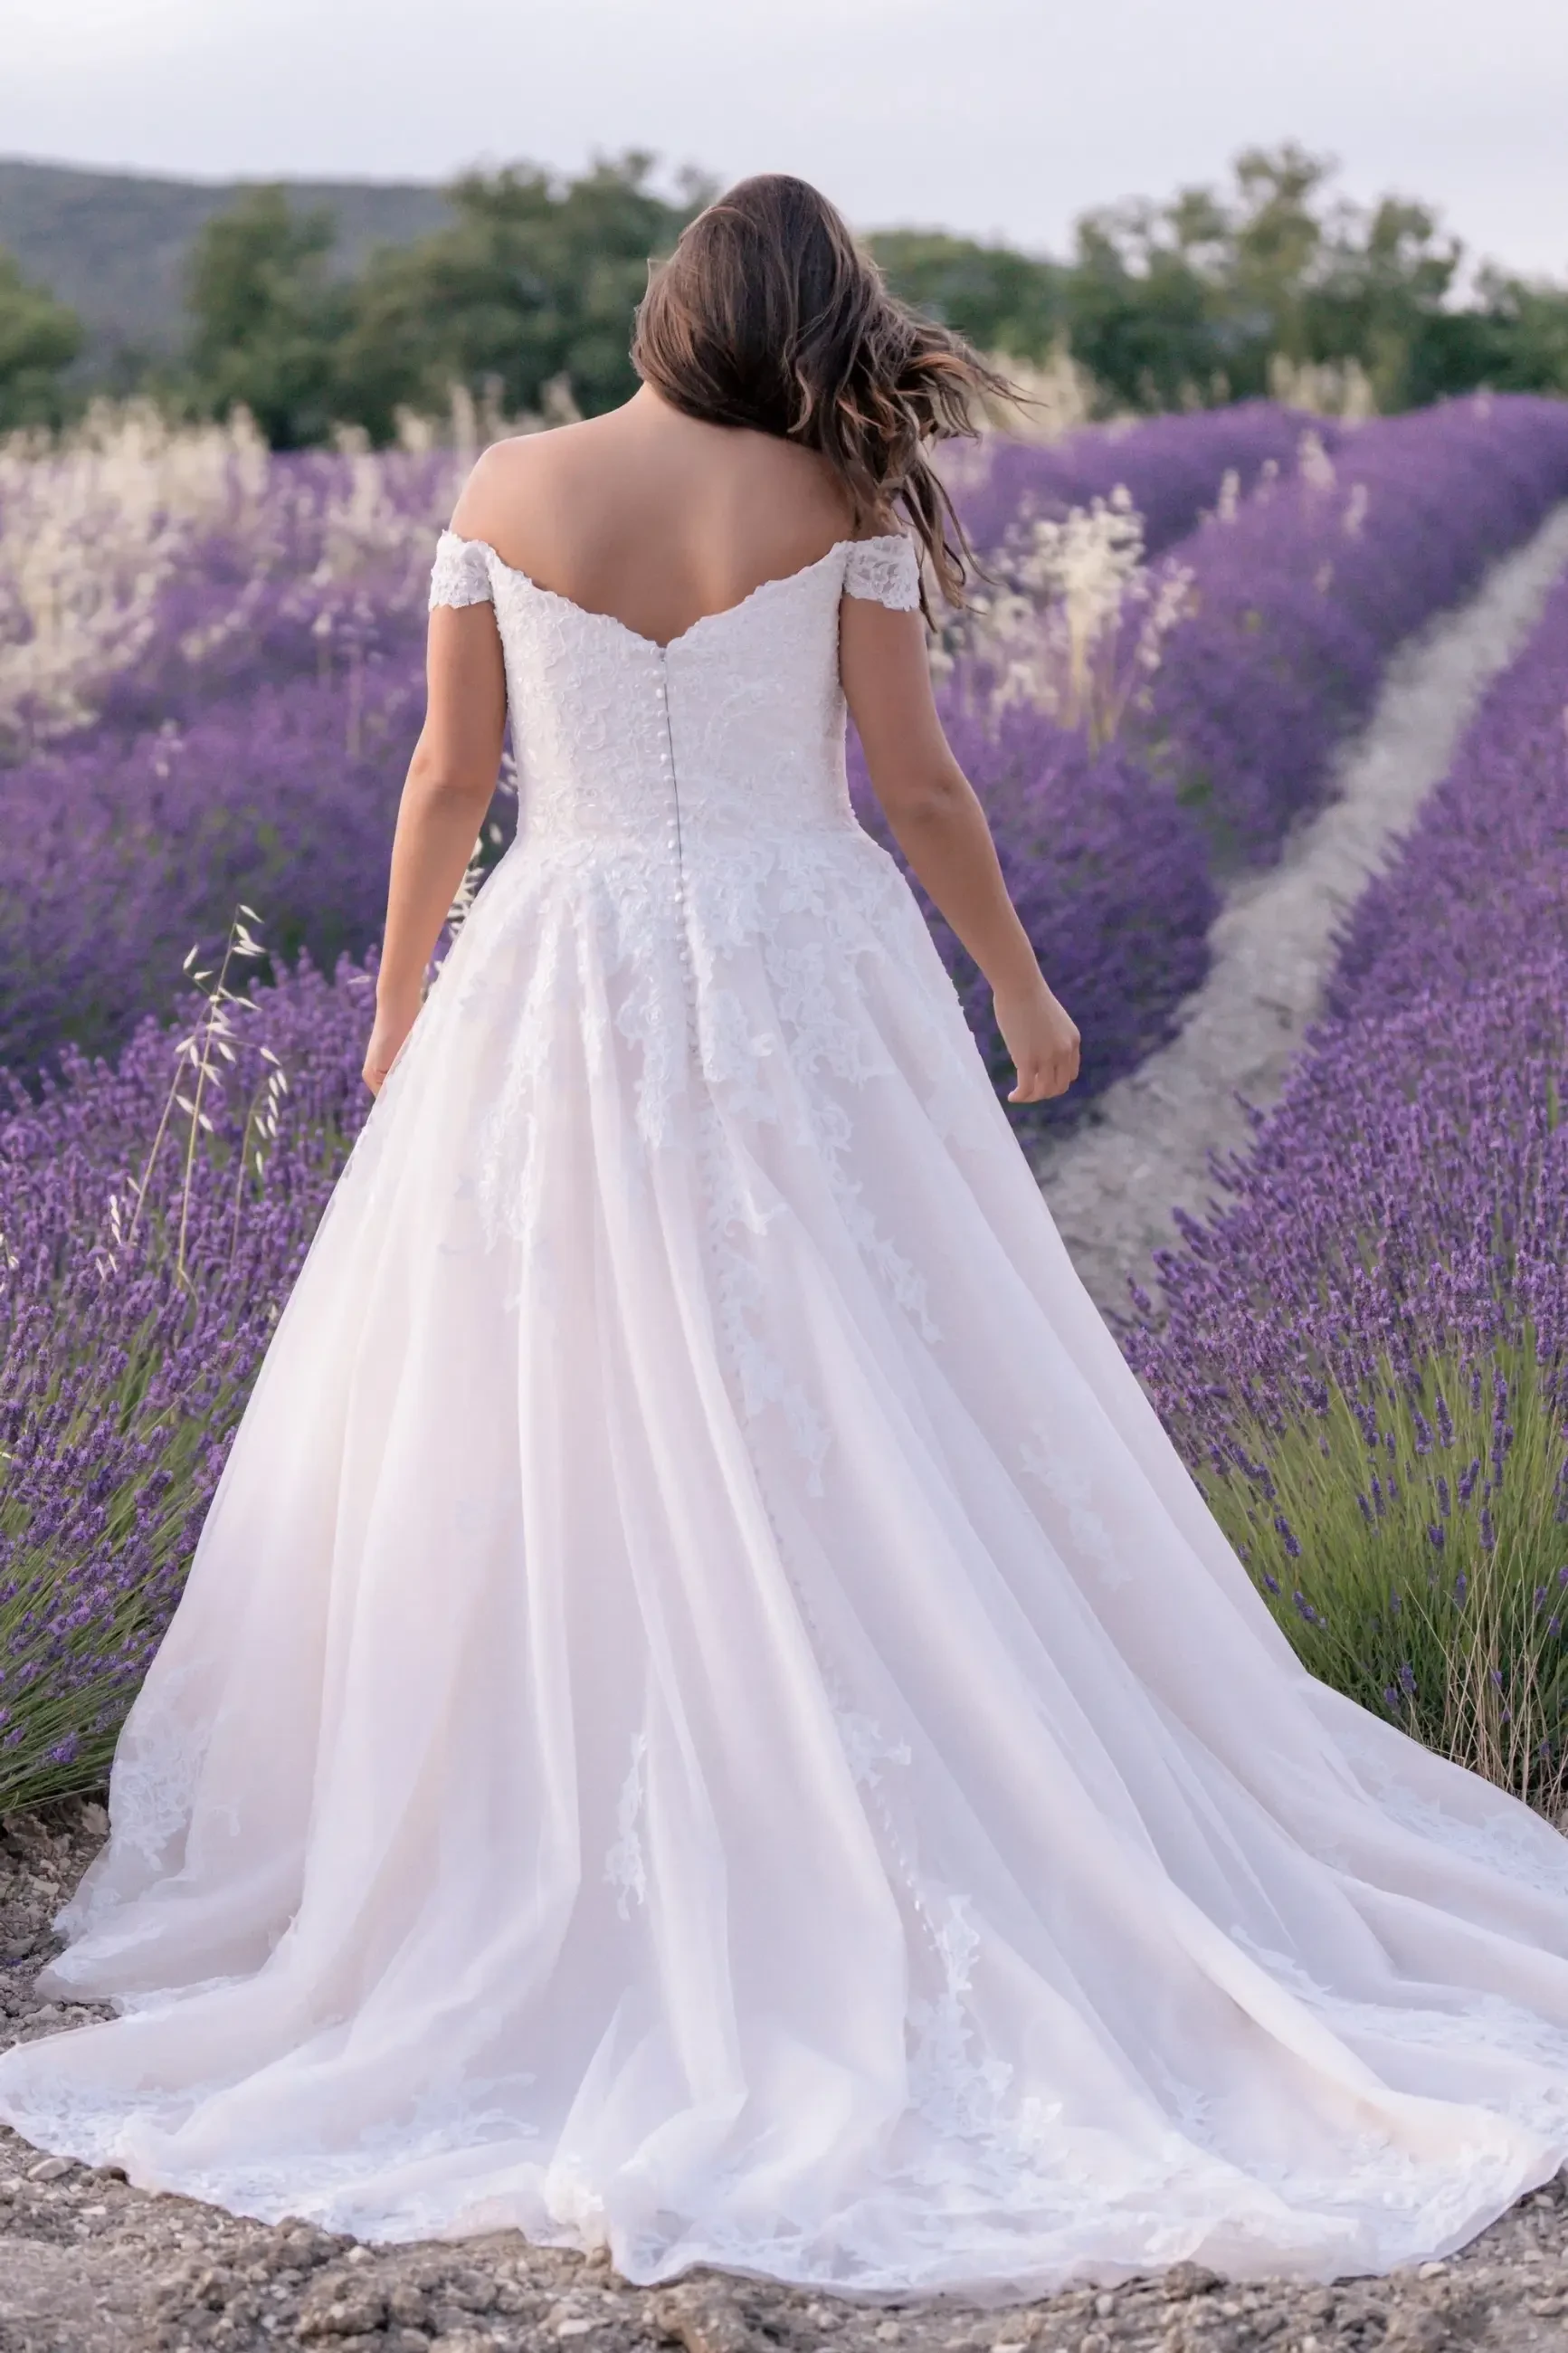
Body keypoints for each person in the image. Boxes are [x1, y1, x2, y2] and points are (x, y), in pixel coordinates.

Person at [4, 174, 1568, 2302]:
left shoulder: (507, 479)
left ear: (666, 307)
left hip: (556, 972)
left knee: (538, 1374)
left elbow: (444, 780)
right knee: (855, 1361)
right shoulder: (828, 493)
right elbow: (917, 790)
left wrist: (393, 1014)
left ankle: (541, 1811)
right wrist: (1019, 985)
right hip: (799, 965)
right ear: (818, 320)